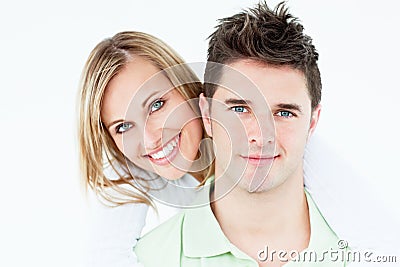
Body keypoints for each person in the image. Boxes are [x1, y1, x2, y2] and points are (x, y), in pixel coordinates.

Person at [135, 2, 351, 266]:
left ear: (312, 122)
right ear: (206, 114)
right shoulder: (147, 259)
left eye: (284, 113)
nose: (260, 137)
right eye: (239, 109)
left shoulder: (365, 247)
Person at [78, 31, 214, 266]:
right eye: (123, 126)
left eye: (156, 105)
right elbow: (108, 256)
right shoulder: (130, 158)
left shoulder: (241, 123)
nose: (150, 140)